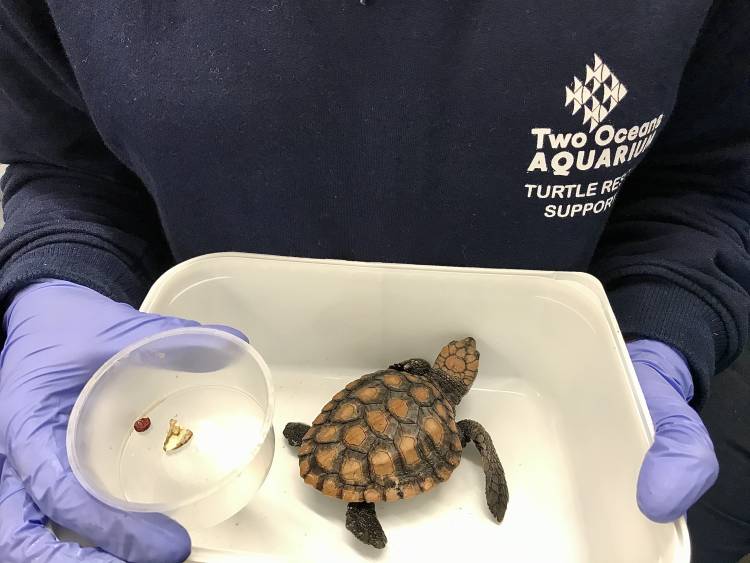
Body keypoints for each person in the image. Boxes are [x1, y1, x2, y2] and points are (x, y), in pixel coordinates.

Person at [0, 1, 747, 562]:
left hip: (553, 382)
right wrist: (64, 276)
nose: (462, 359)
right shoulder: (460, 420)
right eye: (463, 360)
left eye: (462, 360)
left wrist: (665, 319)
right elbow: (69, 163)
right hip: (195, 381)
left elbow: (710, 180)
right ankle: (361, 509)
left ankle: (321, 457)